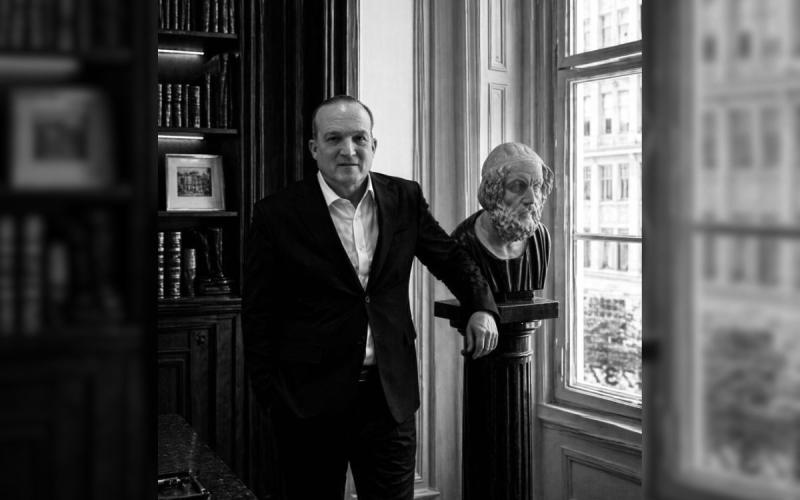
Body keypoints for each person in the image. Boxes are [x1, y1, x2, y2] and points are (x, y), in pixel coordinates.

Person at [242, 95, 500, 500]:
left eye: (359, 138)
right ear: (314, 148)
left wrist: (481, 307)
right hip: (308, 404)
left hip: (388, 398)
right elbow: (259, 314)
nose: (348, 150)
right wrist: (273, 400)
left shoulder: (404, 198)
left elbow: (450, 258)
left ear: (373, 145)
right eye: (334, 138)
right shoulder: (276, 214)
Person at [451, 141, 553, 301]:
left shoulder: (540, 238)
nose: (531, 199)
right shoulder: (462, 243)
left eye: (537, 186)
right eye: (518, 186)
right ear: (492, 191)